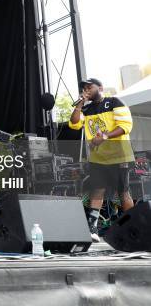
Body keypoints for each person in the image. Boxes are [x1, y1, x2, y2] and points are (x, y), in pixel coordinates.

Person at [68, 78, 135, 243]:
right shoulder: (87, 108)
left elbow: (126, 125)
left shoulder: (114, 102)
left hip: (119, 155)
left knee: (123, 192)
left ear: (100, 87)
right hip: (98, 158)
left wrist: (104, 136)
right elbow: (74, 124)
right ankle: (92, 228)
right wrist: (80, 104)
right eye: (84, 88)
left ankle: (133, 228)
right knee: (97, 190)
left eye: (89, 87)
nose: (86, 90)